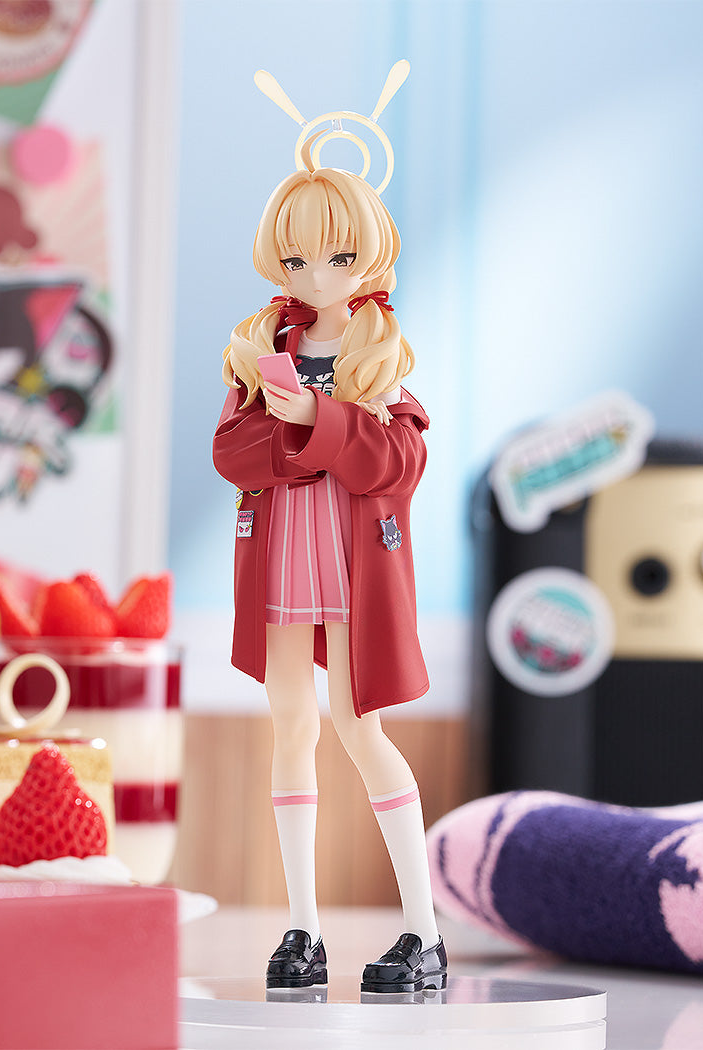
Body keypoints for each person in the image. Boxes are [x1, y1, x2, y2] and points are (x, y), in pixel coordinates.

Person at [213, 146, 446, 995]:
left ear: (369, 253)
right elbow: (231, 451)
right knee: (291, 723)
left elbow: (400, 463)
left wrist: (320, 420)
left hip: (353, 560)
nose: (317, 276)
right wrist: (293, 432)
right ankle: (304, 927)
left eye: (339, 256)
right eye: (298, 259)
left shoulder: (378, 347)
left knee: (357, 724)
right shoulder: (261, 346)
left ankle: (424, 932)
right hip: (282, 547)